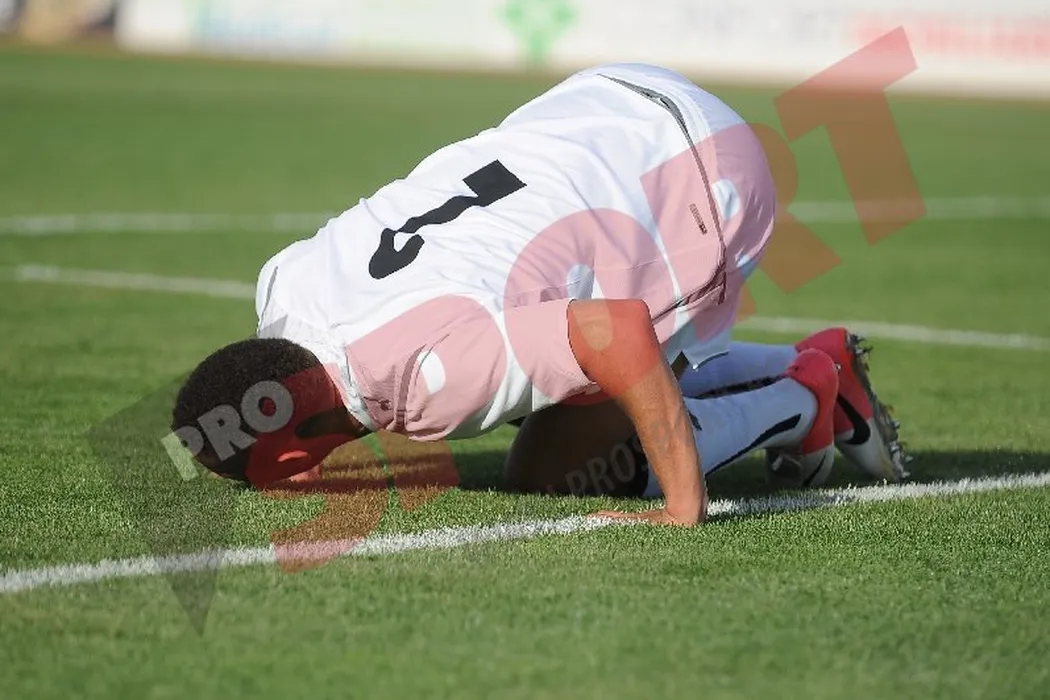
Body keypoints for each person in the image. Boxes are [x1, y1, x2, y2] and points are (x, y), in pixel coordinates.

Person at [170, 63, 908, 527]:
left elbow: (617, 333)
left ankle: (806, 397)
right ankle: (810, 360)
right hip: (602, 98)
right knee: (555, 382)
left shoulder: (432, 378)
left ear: (293, 462)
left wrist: (684, 505)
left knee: (553, 471)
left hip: (698, 175)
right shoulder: (282, 284)